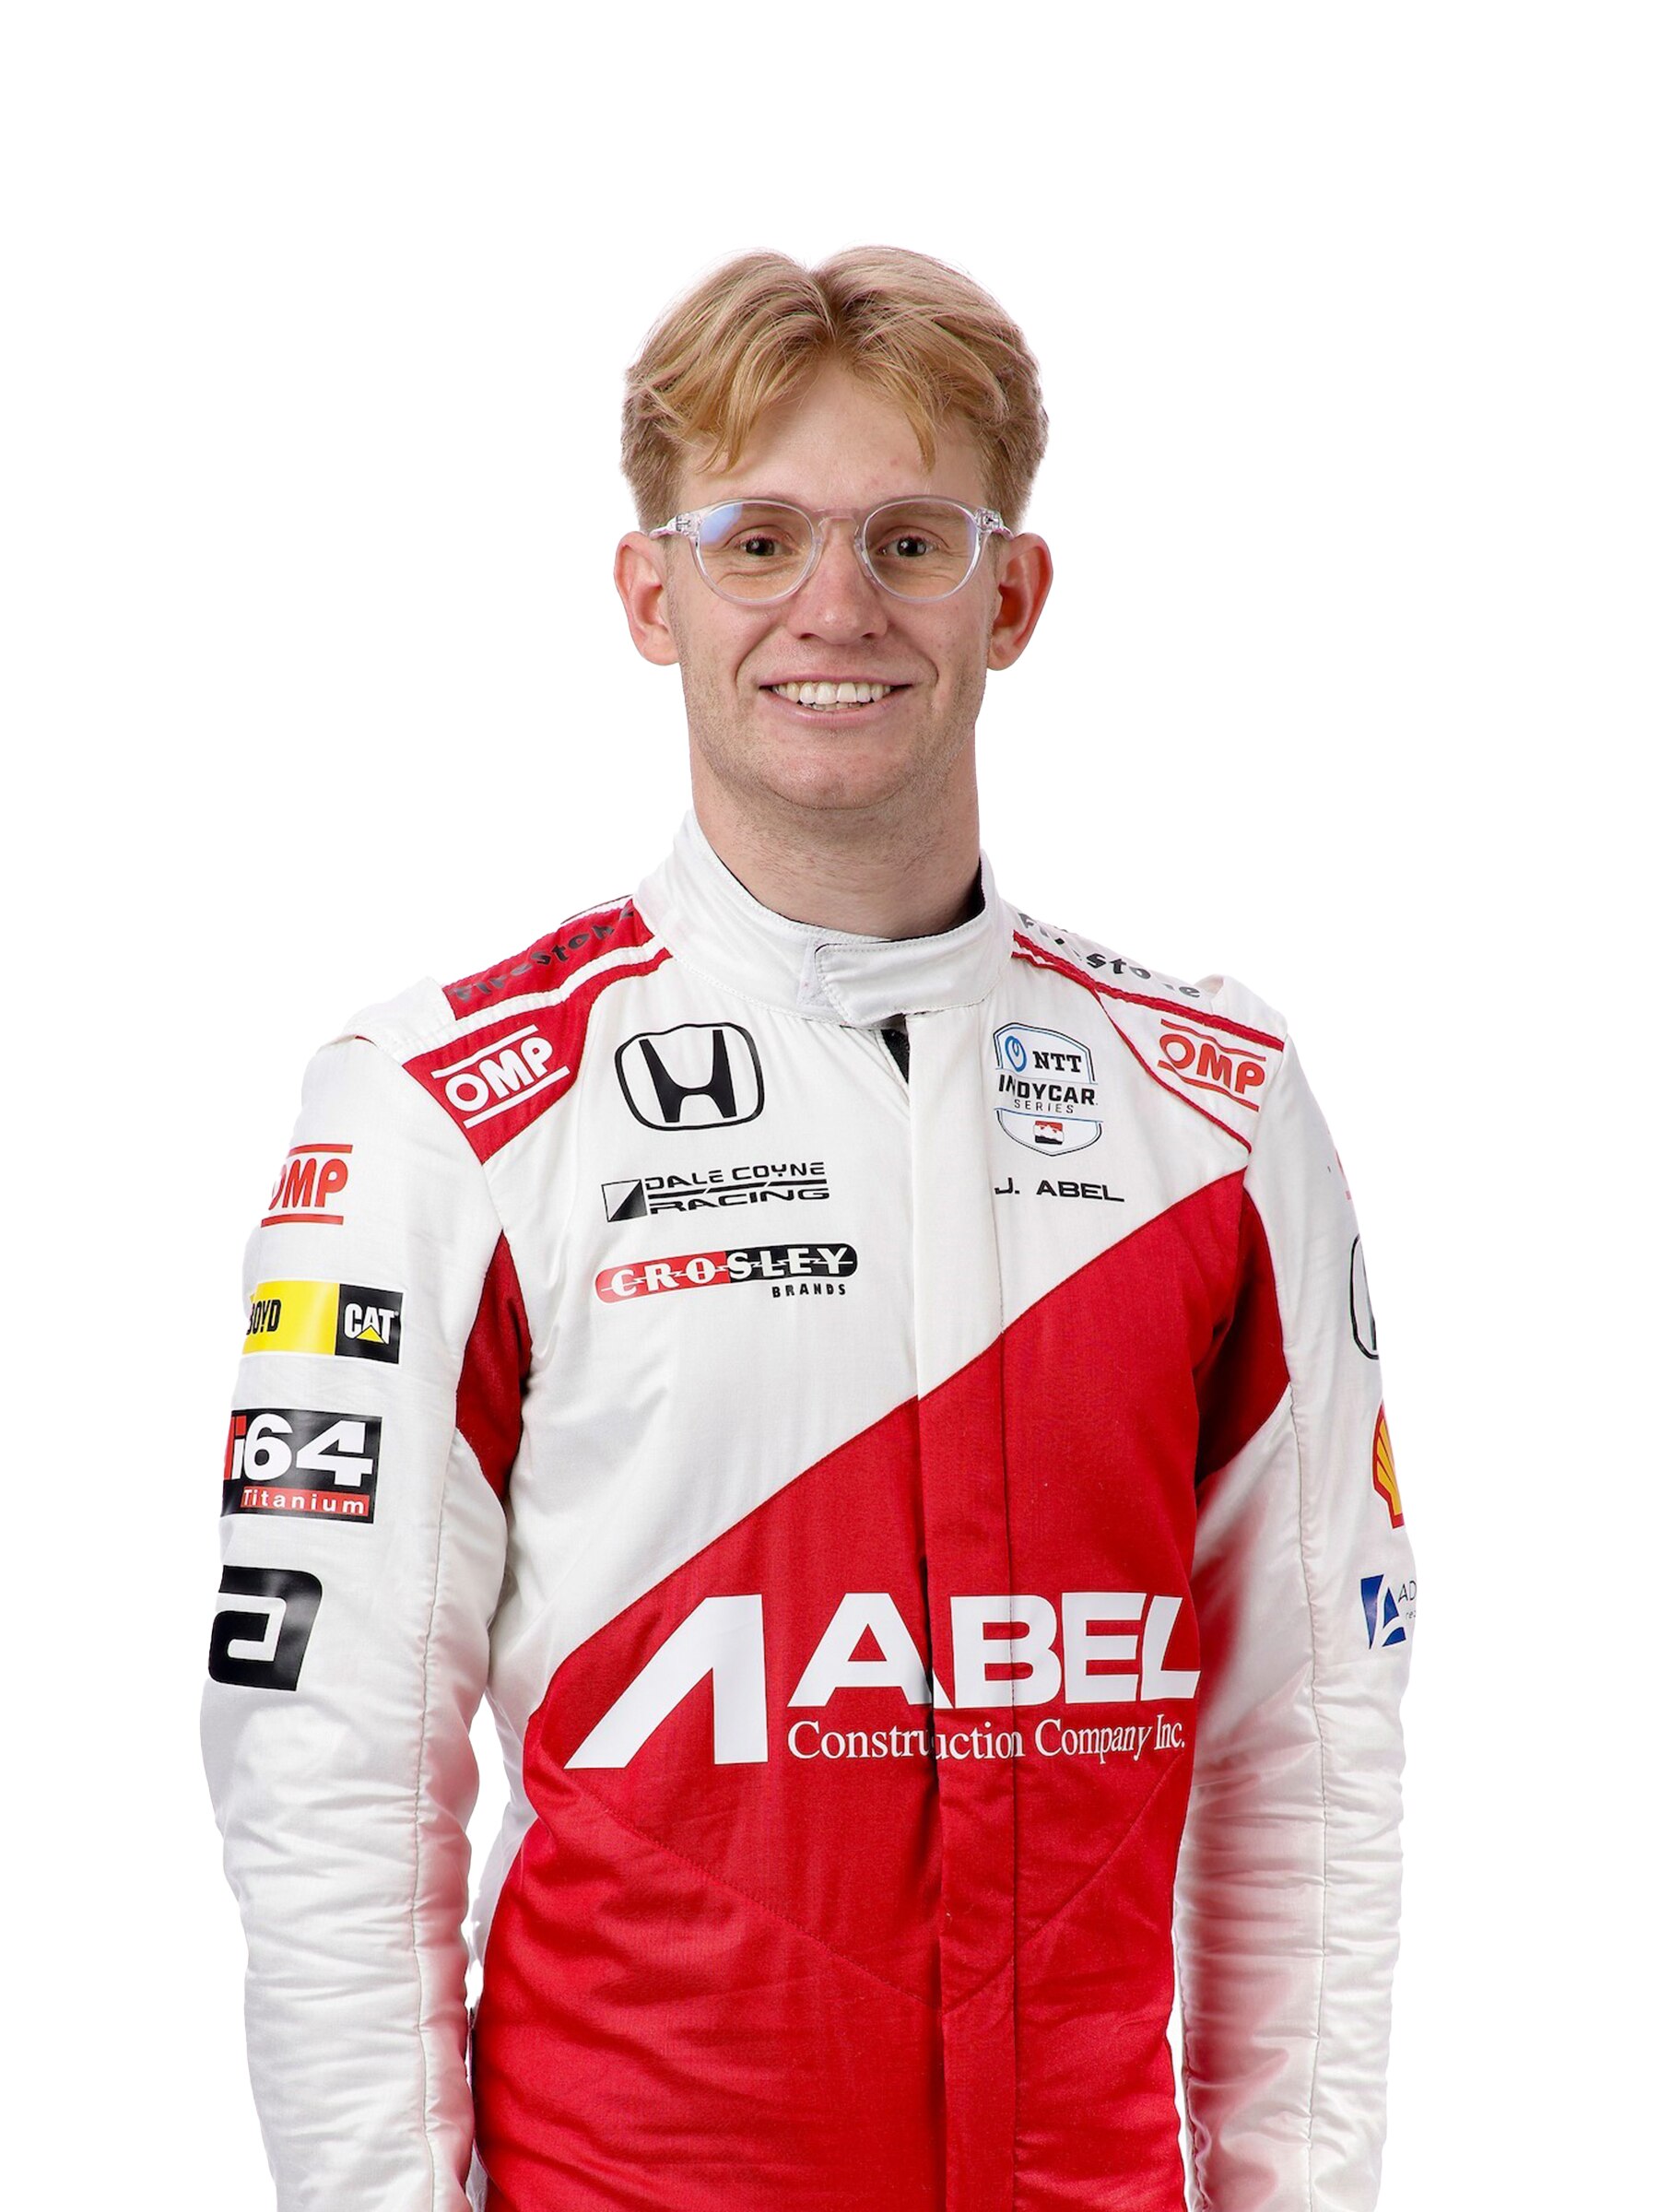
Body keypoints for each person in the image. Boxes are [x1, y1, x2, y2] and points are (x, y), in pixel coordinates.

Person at [202, 246, 1414, 2212]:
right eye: (757, 540)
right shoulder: (445, 1112)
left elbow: (1315, 1752)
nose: (835, 608)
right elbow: (327, 1767)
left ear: (1011, 596)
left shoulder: (1216, 1113)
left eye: (911, 541)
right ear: (649, 593)